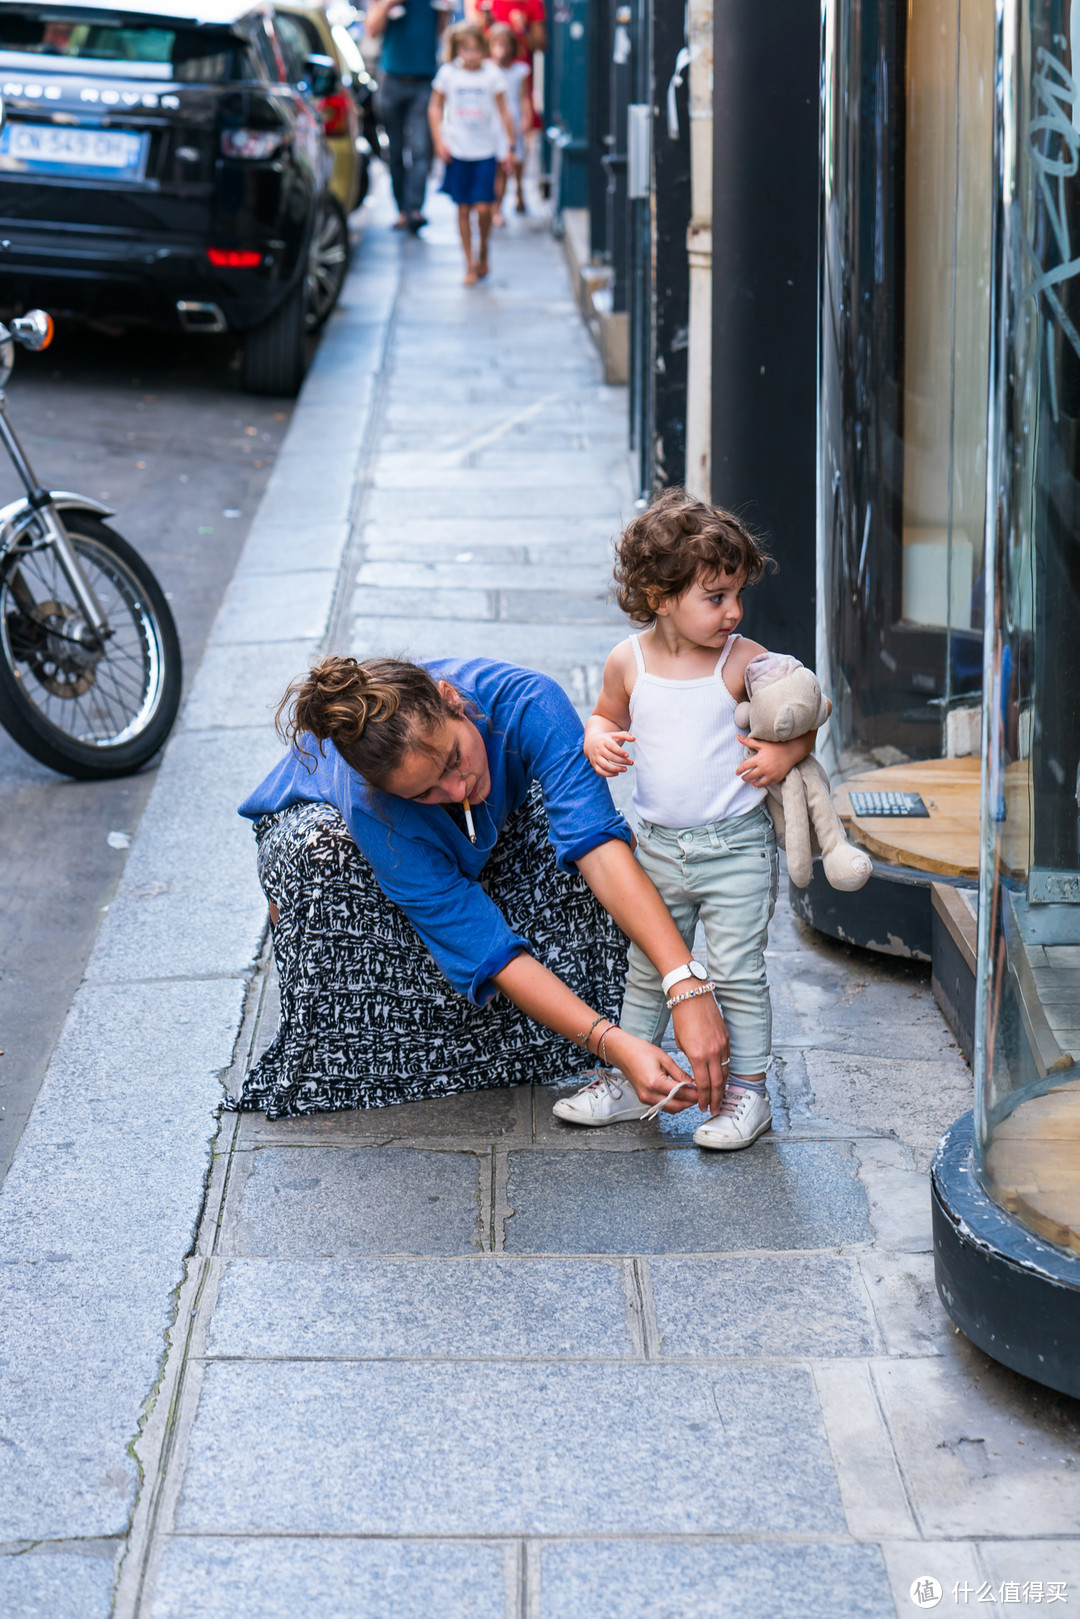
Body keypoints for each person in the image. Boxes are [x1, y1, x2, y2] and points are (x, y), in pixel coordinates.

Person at [236, 655, 734, 1122]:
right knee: (325, 855)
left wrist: (686, 985)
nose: (456, 789)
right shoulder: (376, 808)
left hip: (468, 825)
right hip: (323, 843)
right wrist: (613, 1045)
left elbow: (598, 846)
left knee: (567, 849)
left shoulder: (528, 703)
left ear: (452, 699)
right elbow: (486, 948)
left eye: (455, 759)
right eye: (426, 792)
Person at [557, 488, 818, 1150]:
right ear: (658, 595)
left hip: (735, 850)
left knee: (735, 971)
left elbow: (806, 708)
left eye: (736, 594)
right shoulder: (630, 661)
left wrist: (788, 749)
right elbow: (605, 714)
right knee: (648, 965)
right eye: (715, 597)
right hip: (658, 851)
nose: (732, 611)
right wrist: (597, 738)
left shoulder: (742, 661)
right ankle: (631, 1076)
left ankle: (749, 1093)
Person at [428, 24, 515, 284]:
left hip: (486, 150)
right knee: (463, 208)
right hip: (458, 150)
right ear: (456, 50)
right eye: (466, 49)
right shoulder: (447, 74)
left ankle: (484, 248)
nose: (471, 55)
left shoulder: (492, 76)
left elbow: (504, 111)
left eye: (476, 49)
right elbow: (435, 107)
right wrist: (439, 140)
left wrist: (509, 145)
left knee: (484, 208)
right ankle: (469, 262)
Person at [364, 0, 447, 232]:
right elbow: (371, 30)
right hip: (392, 80)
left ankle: (414, 209)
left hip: (423, 80)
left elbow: (440, 32)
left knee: (420, 149)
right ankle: (401, 208)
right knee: (395, 150)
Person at [489, 23, 530, 222]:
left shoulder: (520, 70)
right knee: (500, 167)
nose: (501, 50)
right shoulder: (487, 70)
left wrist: (527, 117)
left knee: (516, 160)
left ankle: (519, 190)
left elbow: (524, 97)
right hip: (493, 123)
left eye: (504, 44)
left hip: (513, 119)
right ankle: (496, 207)